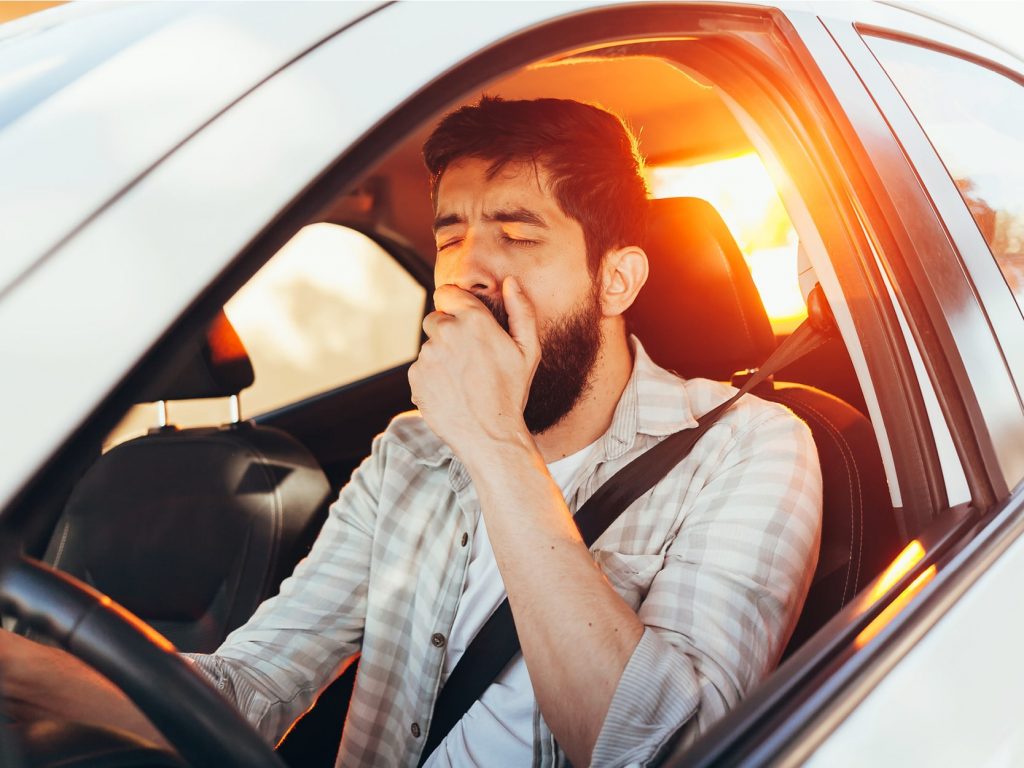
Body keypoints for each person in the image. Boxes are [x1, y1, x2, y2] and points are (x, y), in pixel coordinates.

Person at [0, 97, 822, 767]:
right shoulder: (410, 452)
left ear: (616, 278)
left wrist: (496, 442)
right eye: (452, 235)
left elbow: (662, 751)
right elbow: (251, 689)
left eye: (517, 234)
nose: (468, 269)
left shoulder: (749, 447)